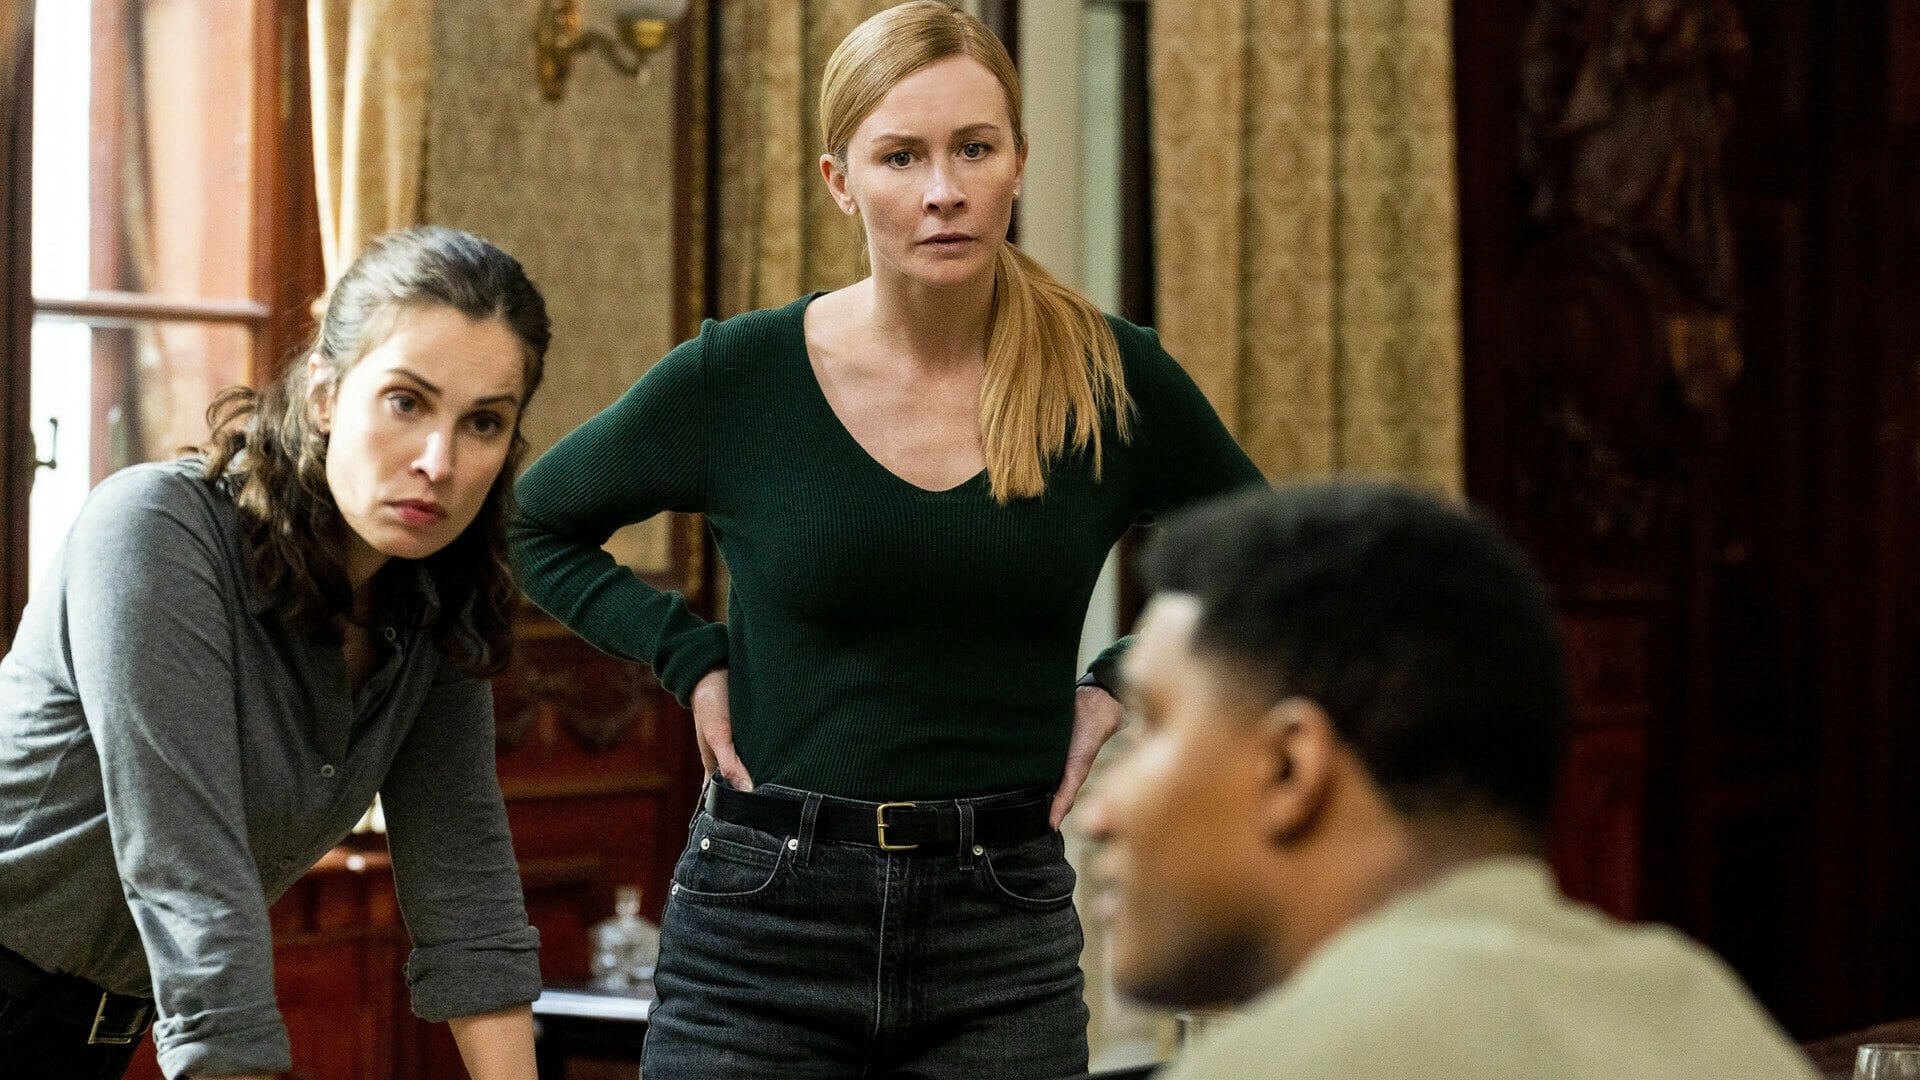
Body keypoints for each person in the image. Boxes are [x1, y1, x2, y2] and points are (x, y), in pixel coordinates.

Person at [509, 3, 1262, 1075]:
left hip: (998, 930)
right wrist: (688, 655)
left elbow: (1276, 567)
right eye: (901, 156)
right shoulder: (741, 377)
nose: (943, 189)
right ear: (840, 181)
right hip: (762, 918)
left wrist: (1123, 682)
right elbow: (533, 521)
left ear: (1019, 163)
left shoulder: (1110, 377)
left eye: (974, 149)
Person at [0, 226, 552, 1080]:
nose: (438, 462)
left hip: (91, 1034)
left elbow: (467, 889)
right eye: (406, 402)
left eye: (483, 422)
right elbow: (190, 879)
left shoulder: (434, 607)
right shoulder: (154, 535)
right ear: (326, 395)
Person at [1080, 482, 1823, 1080]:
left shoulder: (1282, 1064)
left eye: (1148, 730)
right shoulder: (1699, 1010)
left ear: (1291, 768)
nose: (1098, 815)